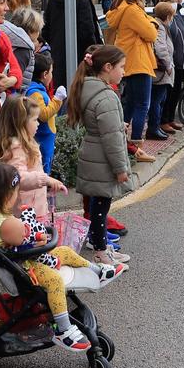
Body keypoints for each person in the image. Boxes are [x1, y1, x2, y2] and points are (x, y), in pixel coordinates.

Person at [0, 163, 116, 350]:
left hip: (25, 257)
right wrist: (38, 238)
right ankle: (63, 329)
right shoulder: (6, 224)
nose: (17, 195)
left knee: (65, 252)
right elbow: (28, 240)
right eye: (16, 191)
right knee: (55, 282)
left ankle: (97, 271)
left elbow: (23, 240)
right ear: (6, 197)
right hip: (26, 267)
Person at [69, 46, 132, 261]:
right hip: (103, 159)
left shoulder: (88, 88)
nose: (124, 71)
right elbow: (112, 138)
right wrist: (121, 168)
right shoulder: (105, 96)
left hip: (92, 152)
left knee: (98, 206)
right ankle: (100, 251)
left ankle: (101, 247)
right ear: (107, 67)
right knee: (100, 208)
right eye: (121, 67)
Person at [104, 0, 160, 160]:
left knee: (129, 105)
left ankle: (123, 144)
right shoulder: (133, 11)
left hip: (129, 62)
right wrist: (152, 22)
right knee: (142, 104)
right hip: (138, 62)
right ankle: (136, 147)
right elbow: (151, 34)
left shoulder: (124, 8)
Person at [0, 93, 63, 224]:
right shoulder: (16, 147)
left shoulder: (26, 144)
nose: (38, 124)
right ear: (21, 122)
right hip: (25, 214)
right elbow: (17, 177)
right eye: (35, 120)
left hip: (32, 210)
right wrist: (45, 180)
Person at [41, 0, 102, 90]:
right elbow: (88, 32)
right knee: (79, 93)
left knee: (61, 92)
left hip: (58, 56)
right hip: (81, 58)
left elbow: (46, 29)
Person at [21, 51, 59, 172]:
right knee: (43, 165)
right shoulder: (35, 93)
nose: (52, 75)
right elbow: (43, 115)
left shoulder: (37, 90)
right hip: (43, 136)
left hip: (45, 136)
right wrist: (58, 100)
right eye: (51, 72)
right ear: (45, 74)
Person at [148, 1, 180, 138]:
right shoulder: (159, 27)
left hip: (161, 71)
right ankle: (153, 128)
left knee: (160, 99)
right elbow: (161, 48)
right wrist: (168, 65)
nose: (172, 19)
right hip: (160, 72)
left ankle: (155, 127)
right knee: (157, 100)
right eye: (172, 16)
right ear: (167, 16)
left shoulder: (160, 26)